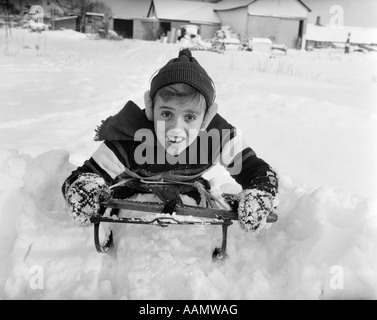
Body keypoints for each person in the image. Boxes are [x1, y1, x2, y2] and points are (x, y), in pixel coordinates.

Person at [62, 48, 279, 233]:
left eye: (190, 117)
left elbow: (257, 171)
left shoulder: (216, 137)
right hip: (133, 190)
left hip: (188, 193)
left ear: (205, 118)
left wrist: (259, 194)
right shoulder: (132, 135)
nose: (176, 128)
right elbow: (84, 176)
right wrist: (85, 188)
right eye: (166, 114)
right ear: (150, 110)